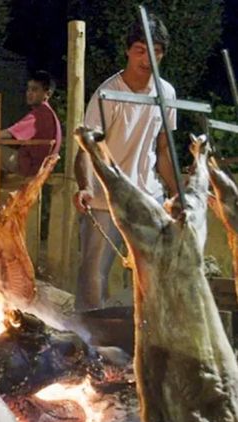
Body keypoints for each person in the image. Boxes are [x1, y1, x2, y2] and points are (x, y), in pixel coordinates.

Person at [73, 14, 177, 311]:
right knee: (94, 273)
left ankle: (146, 337)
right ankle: (89, 341)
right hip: (106, 197)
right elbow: (84, 149)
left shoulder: (166, 93)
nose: (147, 59)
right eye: (140, 50)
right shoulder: (108, 94)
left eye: (155, 51)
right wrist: (84, 187)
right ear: (128, 51)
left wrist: (176, 192)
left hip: (147, 195)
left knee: (153, 271)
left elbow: (164, 149)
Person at [0, 70, 62, 180]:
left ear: (47, 94)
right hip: (38, 165)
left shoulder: (40, 114)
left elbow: (9, 133)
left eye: (35, 89)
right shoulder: (48, 113)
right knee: (0, 146)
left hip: (31, 166)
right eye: (28, 89)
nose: (29, 93)